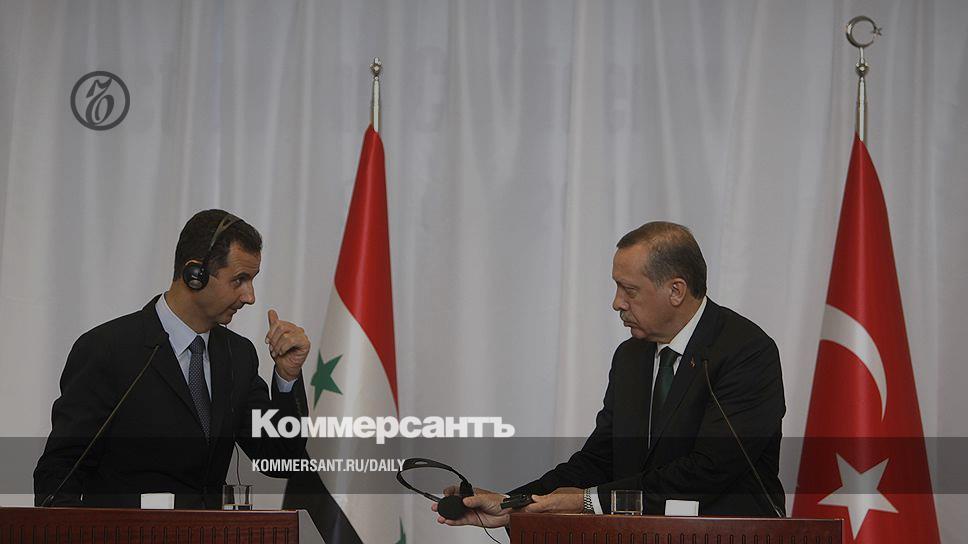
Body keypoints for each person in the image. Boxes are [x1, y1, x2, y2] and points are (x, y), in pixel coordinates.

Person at [434, 221, 786, 527]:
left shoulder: (746, 351)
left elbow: (709, 470)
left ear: (675, 291)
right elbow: (602, 458)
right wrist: (513, 504)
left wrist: (586, 502)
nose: (617, 302)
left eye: (629, 290)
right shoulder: (631, 356)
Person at [34, 209, 312, 508]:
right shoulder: (108, 349)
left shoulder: (238, 355)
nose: (250, 296)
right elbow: (58, 475)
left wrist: (287, 377)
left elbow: (282, 458)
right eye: (239, 280)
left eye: (252, 280)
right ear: (195, 275)